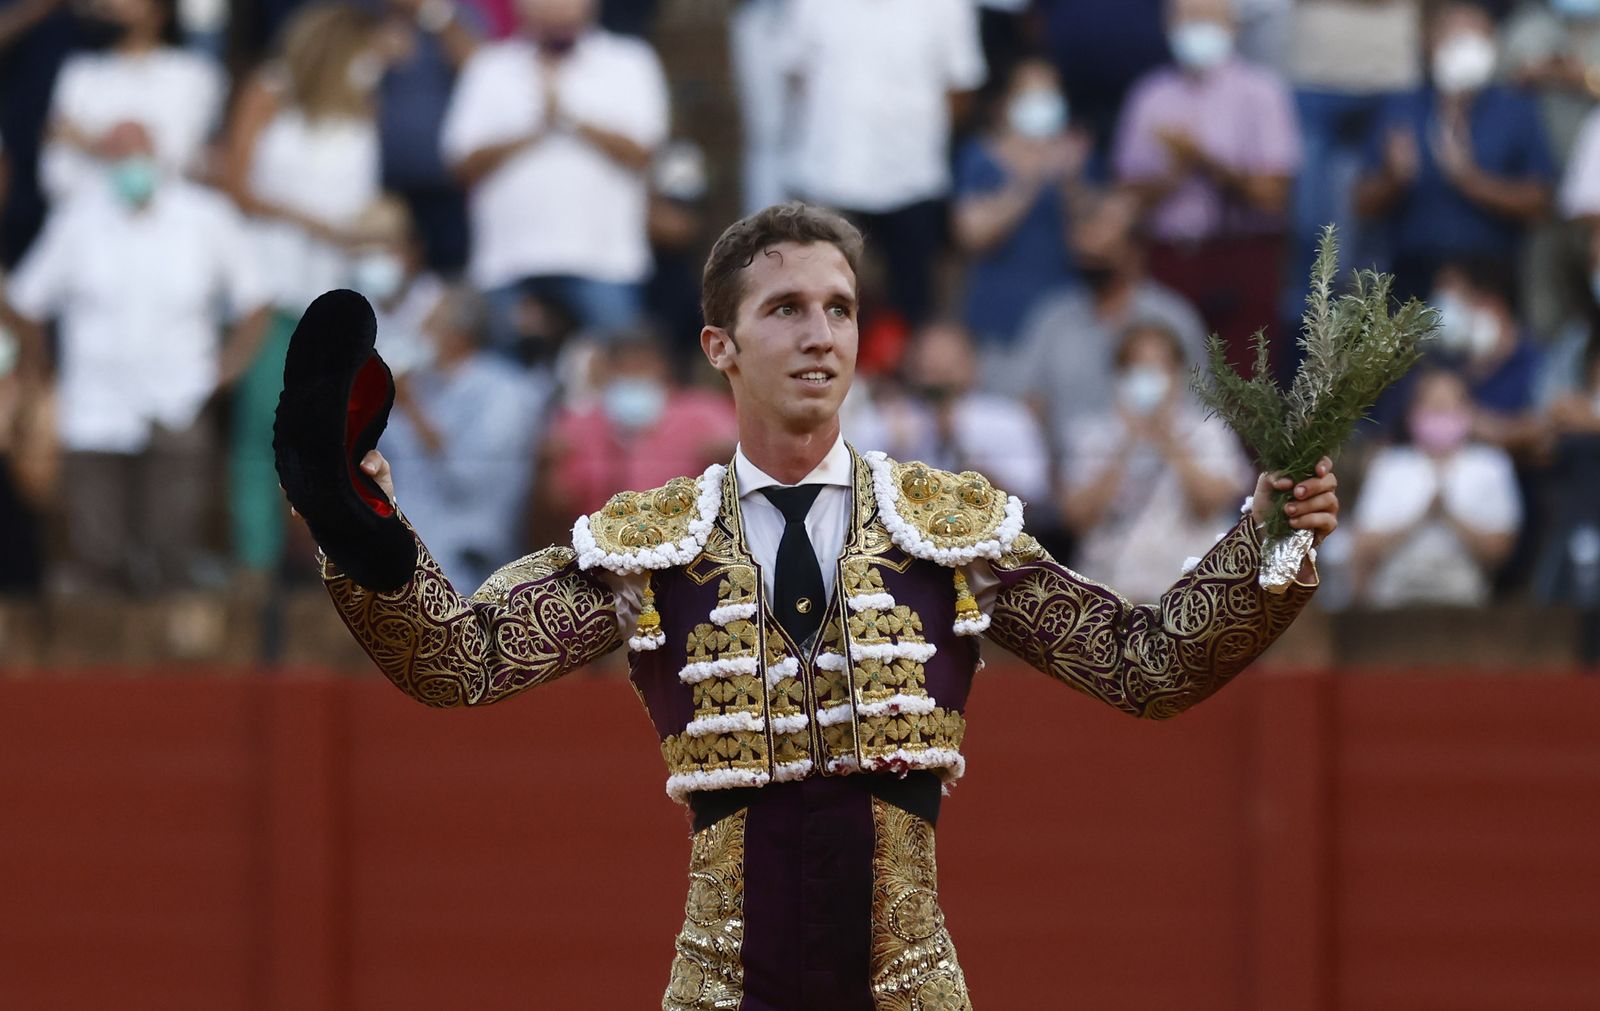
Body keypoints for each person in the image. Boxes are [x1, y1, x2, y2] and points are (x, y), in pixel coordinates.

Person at [285, 202, 1339, 1007]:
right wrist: (359, 530)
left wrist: (1269, 535)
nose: (820, 334)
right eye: (785, 309)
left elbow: (1141, 666)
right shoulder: (652, 546)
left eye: (838, 308)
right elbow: (462, 660)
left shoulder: (947, 529)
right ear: (721, 347)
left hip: (907, 984)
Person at [6, 120, 269, 592]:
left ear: (157, 155)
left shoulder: (205, 216)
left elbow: (256, 301)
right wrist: (38, 369)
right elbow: (25, 302)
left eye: (137, 153)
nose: (130, 166)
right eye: (119, 155)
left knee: (174, 550)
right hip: (94, 411)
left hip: (180, 403)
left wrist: (228, 367)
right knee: (96, 554)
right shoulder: (77, 219)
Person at [222, 0, 387, 578]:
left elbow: (365, 197)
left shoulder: (362, 102)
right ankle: (254, 563)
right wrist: (313, 221)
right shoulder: (270, 90)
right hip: (272, 288)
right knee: (258, 432)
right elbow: (237, 184)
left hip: (335, 295)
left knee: (330, 440)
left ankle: (327, 566)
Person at [441, 0, 668, 349]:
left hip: (605, 260)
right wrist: (534, 127)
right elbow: (461, 163)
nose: (560, 11)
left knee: (616, 375)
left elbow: (644, 152)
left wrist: (569, 115)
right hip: (507, 262)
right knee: (512, 389)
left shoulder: (630, 60)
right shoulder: (490, 66)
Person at [1113, 0, 1301, 374]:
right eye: (1188, 18)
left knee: (1246, 382)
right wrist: (1175, 172)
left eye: (1207, 18)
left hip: (1243, 254)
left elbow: (1276, 195)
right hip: (1169, 257)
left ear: (1233, 26)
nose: (1197, 29)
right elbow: (1126, 194)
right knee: (1168, 373)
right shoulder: (1150, 95)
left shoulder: (1262, 92)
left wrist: (1206, 160)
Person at [778, 0, 986, 329]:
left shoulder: (948, 6)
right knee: (821, 309)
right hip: (828, 179)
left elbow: (960, 88)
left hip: (913, 181)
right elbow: (797, 76)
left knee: (914, 313)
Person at [1354, 1, 1555, 304]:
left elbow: (1542, 202)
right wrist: (1393, 180)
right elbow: (1362, 204)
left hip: (1491, 276)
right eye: (1456, 39)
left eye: (1476, 40)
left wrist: (1471, 181)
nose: (1466, 50)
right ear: (1430, 45)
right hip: (1411, 274)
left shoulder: (1517, 109)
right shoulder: (1400, 108)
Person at [1060, 321, 1251, 602]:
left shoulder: (1207, 431)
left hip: (1188, 591)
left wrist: (1168, 440)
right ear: (1120, 376)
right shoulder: (1092, 434)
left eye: (1158, 367)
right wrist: (1126, 444)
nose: (1148, 377)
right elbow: (1075, 517)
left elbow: (1213, 502)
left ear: (1177, 374)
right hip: (1108, 590)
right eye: (1137, 367)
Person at [996, 190, 1208, 440]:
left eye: (1104, 249)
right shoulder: (1053, 319)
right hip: (1069, 472)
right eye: (1084, 250)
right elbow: (1027, 402)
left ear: (1134, 251)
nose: (1090, 255)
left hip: (1159, 468)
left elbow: (1202, 407)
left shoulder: (1173, 319)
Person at [380, 285, 549, 591]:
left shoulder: (505, 392)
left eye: (429, 325)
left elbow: (471, 477)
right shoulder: (421, 386)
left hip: (470, 550)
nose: (418, 333)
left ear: (458, 334)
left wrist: (414, 412)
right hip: (408, 536)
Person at [953, 57, 1091, 353]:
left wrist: (1071, 183)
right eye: (1030, 96)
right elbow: (972, 235)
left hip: (1064, 319)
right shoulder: (979, 157)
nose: (1040, 105)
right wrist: (1032, 180)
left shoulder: (1076, 157)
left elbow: (1091, 241)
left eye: (1049, 95)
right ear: (1006, 103)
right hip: (998, 323)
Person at [1351, 368, 1520, 608]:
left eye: (1448, 406)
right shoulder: (1389, 465)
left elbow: (1501, 551)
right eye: (1433, 406)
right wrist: (1420, 518)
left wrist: (1449, 517)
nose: (1441, 414)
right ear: (1413, 413)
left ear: (1468, 411)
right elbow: (1363, 546)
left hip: (1465, 598)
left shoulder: (1491, 465)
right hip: (1394, 597)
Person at [543, 329, 738, 521]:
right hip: (601, 541)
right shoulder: (580, 424)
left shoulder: (704, 413)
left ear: (664, 368)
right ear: (607, 372)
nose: (634, 375)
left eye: (642, 367)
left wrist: (725, 458)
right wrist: (549, 467)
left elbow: (742, 463)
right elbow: (559, 505)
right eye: (624, 368)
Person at [39, 0, 223, 202]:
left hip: (174, 221)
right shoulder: (80, 72)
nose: (113, 5)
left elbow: (184, 160)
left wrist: (93, 143)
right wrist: (133, 147)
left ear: (159, 12)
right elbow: (57, 173)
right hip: (83, 218)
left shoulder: (194, 73)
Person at [875, 318, 1052, 505]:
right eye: (928, 356)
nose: (935, 362)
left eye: (946, 358)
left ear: (971, 363)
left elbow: (1035, 495)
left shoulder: (1008, 419)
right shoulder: (887, 418)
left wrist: (976, 474)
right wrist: (895, 452)